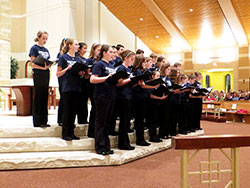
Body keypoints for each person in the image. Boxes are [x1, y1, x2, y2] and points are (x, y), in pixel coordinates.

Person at [90, 44, 118, 155]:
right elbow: (93, 79)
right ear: (104, 53)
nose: (113, 54)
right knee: (100, 122)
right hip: (102, 95)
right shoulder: (99, 64)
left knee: (107, 123)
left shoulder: (111, 65)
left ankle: (106, 146)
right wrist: (106, 78)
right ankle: (100, 147)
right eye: (111, 52)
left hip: (111, 95)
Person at [56, 38, 84, 141]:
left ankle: (72, 132)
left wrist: (81, 73)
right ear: (70, 46)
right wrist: (66, 69)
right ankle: (65, 133)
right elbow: (58, 74)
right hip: (67, 87)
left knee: (74, 111)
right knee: (67, 111)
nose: (78, 46)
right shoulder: (63, 58)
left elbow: (81, 74)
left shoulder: (78, 59)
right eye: (76, 44)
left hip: (77, 87)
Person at [132, 55, 159, 146]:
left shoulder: (143, 71)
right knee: (139, 119)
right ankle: (140, 139)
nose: (145, 64)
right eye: (144, 62)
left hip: (143, 97)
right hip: (139, 97)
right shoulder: (138, 72)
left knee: (141, 119)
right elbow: (142, 85)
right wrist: (154, 86)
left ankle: (141, 138)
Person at [29, 30, 51, 128]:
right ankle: (37, 121)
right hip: (38, 73)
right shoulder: (34, 48)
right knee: (38, 96)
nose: (45, 40)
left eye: (46, 39)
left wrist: (49, 64)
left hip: (46, 74)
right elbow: (32, 64)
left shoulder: (46, 50)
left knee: (44, 96)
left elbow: (48, 61)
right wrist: (42, 67)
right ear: (38, 38)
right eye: (43, 38)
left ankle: (44, 120)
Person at [116, 50, 136, 150]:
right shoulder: (121, 68)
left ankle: (125, 142)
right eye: (131, 59)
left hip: (129, 95)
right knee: (124, 121)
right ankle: (123, 143)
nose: (133, 61)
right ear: (126, 58)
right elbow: (119, 83)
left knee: (126, 121)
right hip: (122, 97)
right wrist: (130, 79)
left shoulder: (128, 69)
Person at [86, 43, 101, 138]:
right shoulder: (90, 60)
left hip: (99, 85)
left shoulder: (100, 61)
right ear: (94, 50)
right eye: (98, 50)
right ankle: (91, 131)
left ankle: (96, 130)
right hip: (91, 85)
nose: (99, 52)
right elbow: (88, 74)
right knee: (94, 108)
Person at [148, 71, 166, 142]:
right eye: (157, 76)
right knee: (152, 121)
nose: (158, 77)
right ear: (153, 76)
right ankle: (152, 136)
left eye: (159, 76)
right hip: (151, 104)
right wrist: (160, 98)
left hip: (157, 104)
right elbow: (151, 95)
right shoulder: (150, 84)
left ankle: (155, 136)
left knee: (155, 121)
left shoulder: (158, 85)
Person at [76, 42, 89, 124]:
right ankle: (80, 119)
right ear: (79, 49)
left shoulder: (85, 59)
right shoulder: (77, 58)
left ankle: (84, 118)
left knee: (84, 101)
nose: (85, 50)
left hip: (85, 81)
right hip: (78, 81)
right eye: (84, 48)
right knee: (79, 101)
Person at [57, 38, 68, 126]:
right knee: (63, 99)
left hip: (69, 80)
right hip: (62, 79)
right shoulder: (61, 55)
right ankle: (60, 119)